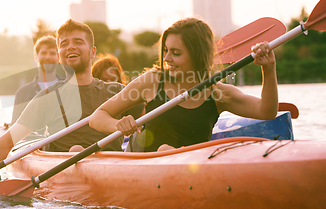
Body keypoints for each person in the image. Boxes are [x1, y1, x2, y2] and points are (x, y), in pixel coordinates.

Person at [0, 19, 143, 185]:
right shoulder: (47, 97)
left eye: (78, 42)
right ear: (59, 56)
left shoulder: (117, 91)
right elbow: (7, 141)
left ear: (93, 52)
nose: (71, 47)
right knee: (76, 149)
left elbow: (150, 124)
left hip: (113, 170)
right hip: (67, 174)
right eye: (64, 44)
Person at [89, 17, 278, 152]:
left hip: (190, 169)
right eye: (165, 50)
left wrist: (268, 69)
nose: (167, 58)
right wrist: (118, 125)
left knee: (169, 150)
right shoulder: (153, 82)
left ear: (197, 55)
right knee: (164, 148)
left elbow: (266, 112)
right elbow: (97, 117)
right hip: (144, 161)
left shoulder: (218, 94)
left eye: (176, 53)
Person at [7, 36, 62, 133]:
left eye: (52, 53)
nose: (48, 57)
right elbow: (15, 128)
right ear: (36, 57)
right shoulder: (22, 93)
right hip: (33, 145)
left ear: (58, 58)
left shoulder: (68, 87)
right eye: (44, 53)